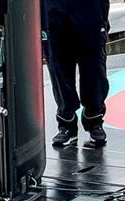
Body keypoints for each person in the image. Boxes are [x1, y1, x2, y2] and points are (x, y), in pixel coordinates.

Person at [42, 0, 110, 147]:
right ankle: (66, 122)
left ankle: (94, 118)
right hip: (52, 8)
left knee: (94, 66)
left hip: (90, 7)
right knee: (58, 65)